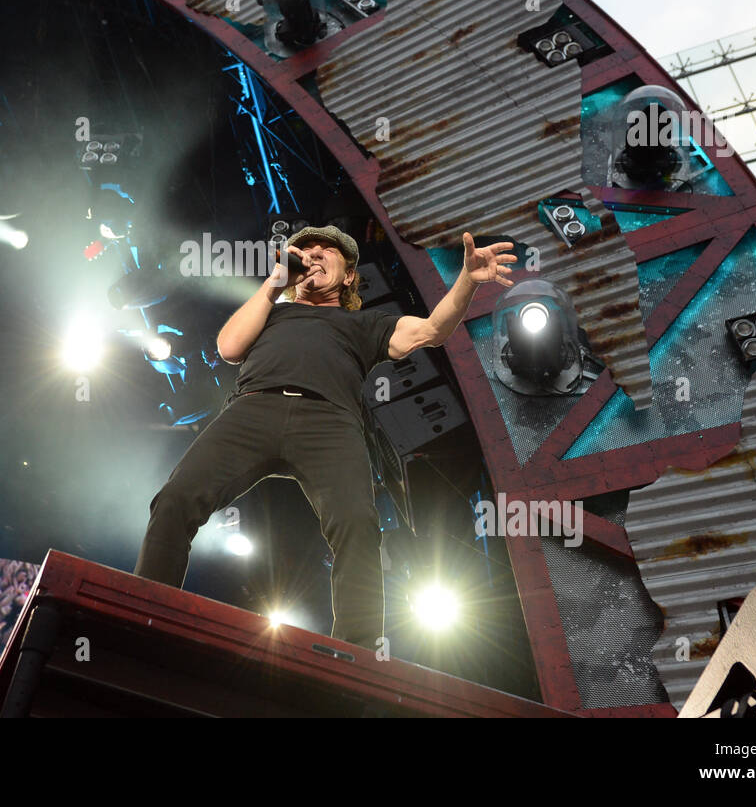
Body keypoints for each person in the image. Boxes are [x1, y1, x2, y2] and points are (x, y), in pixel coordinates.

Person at [133, 225, 515, 649]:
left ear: (349, 275)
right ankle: (146, 611)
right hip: (254, 408)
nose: (312, 255)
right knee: (175, 498)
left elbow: (432, 330)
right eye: (305, 250)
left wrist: (466, 281)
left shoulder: (366, 323)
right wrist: (274, 286)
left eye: (325, 251)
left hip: (330, 421)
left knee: (358, 525)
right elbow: (229, 347)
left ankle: (354, 653)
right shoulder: (272, 313)